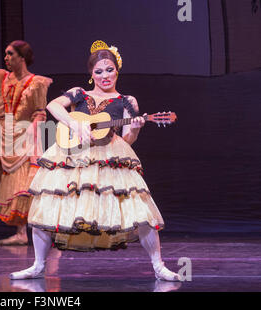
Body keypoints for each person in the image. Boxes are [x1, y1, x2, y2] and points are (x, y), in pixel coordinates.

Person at [10, 40, 181, 281]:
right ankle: (38, 265)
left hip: (108, 158)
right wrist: (74, 123)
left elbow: (128, 140)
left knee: (140, 209)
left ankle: (159, 266)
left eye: (109, 69)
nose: (104, 75)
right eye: (98, 71)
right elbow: (53, 106)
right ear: (91, 74)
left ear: (117, 71)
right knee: (47, 207)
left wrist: (135, 128)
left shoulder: (126, 101)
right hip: (72, 156)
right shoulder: (79, 93)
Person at [0, 40, 52, 245]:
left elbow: (40, 112)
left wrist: (32, 127)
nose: (6, 58)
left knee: (27, 182)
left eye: (10, 54)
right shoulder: (2, 80)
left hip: (27, 134)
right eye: (6, 54)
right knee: (11, 182)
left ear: (22, 57)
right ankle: (21, 233)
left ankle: (46, 231)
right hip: (6, 136)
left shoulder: (36, 82)